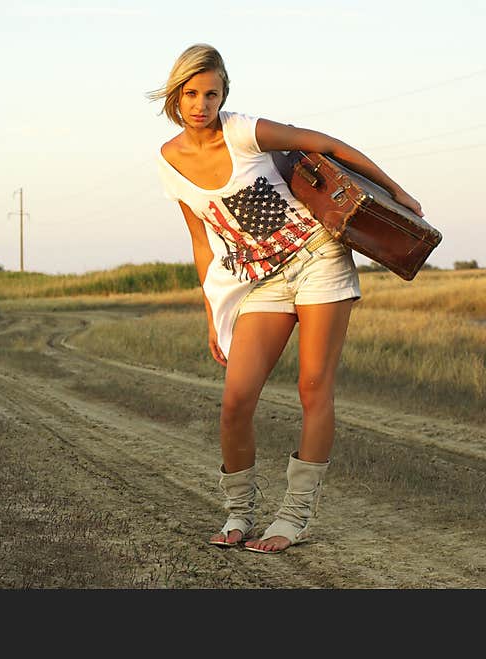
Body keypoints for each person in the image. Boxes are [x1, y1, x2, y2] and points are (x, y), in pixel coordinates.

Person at [149, 44, 423, 553]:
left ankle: (293, 517)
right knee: (235, 401)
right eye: (191, 93)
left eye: (212, 93)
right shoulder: (169, 163)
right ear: (176, 95)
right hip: (265, 282)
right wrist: (215, 315)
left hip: (318, 258)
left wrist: (396, 193)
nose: (201, 104)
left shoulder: (243, 130)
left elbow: (328, 145)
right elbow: (201, 241)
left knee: (313, 386)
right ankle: (238, 514)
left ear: (224, 94)